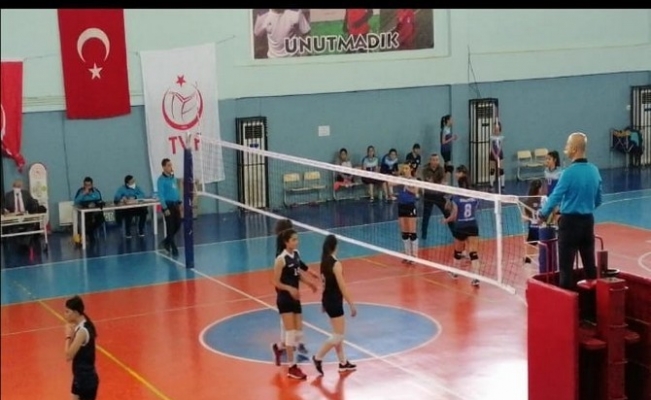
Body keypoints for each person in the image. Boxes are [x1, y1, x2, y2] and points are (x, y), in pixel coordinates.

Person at [538, 132, 602, 289]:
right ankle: (594, 301)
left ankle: (568, 302)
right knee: (590, 267)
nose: (565, 147)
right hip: (588, 223)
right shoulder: (594, 171)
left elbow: (555, 196)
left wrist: (542, 214)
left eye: (567, 144)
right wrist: (584, 206)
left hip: (569, 224)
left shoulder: (568, 173)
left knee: (566, 270)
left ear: (574, 148)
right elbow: (598, 200)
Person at [271, 219, 319, 366]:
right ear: (286, 240)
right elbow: (276, 281)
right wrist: (289, 288)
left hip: (294, 293)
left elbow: (297, 268)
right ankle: (291, 364)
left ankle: (281, 346)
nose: (297, 242)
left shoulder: (295, 254)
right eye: (294, 239)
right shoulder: (280, 257)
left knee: (297, 332)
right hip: (284, 293)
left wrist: (309, 280)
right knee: (289, 330)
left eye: (297, 239)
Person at [311, 234, 357, 375]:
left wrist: (323, 302)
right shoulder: (336, 264)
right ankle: (318, 357)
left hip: (328, 300)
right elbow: (342, 287)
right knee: (338, 335)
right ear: (335, 246)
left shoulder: (324, 262)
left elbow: (324, 285)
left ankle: (343, 363)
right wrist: (351, 304)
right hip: (334, 301)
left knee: (337, 333)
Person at [444, 165, 481, 287]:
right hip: (472, 225)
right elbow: (475, 209)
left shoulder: (456, 198)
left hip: (460, 226)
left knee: (458, 251)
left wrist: (446, 220)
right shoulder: (475, 196)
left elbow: (454, 215)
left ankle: (455, 272)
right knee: (473, 253)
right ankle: (476, 278)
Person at [64, 295, 99, 400]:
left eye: (67, 312)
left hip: (86, 381)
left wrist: (68, 336)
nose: (65, 315)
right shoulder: (80, 325)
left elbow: (68, 355)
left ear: (75, 312)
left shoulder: (82, 332)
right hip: (79, 377)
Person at [421, 154, 454, 240]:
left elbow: (443, 181)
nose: (435, 161)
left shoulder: (441, 169)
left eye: (437, 160)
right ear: (430, 161)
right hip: (429, 195)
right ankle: (424, 235)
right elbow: (430, 182)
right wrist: (438, 183)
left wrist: (441, 183)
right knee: (426, 216)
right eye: (433, 160)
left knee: (447, 213)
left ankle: (454, 232)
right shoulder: (425, 170)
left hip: (439, 195)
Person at [157, 158, 181, 257]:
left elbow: (176, 190)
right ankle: (173, 247)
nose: (170, 167)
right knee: (170, 227)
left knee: (178, 225)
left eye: (171, 165)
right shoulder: (161, 180)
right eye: (168, 165)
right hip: (168, 206)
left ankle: (166, 242)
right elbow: (161, 195)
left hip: (175, 205)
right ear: (163, 167)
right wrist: (165, 208)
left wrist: (179, 200)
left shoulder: (173, 178)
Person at [395, 164, 419, 263]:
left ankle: (414, 256)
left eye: (407, 168)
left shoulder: (414, 180)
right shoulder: (400, 179)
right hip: (401, 206)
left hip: (410, 206)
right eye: (404, 168)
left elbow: (415, 191)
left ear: (410, 170)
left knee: (412, 232)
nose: (405, 170)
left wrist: (407, 186)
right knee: (404, 232)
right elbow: (390, 183)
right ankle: (407, 255)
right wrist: (400, 179)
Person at [522, 179, 547, 266]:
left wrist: (531, 218)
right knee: (545, 250)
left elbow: (524, 219)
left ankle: (527, 265)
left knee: (529, 255)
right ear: (539, 189)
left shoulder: (527, 202)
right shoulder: (544, 199)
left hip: (532, 229)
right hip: (543, 229)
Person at [439, 115, 457, 184]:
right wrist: (452, 138)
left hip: (448, 149)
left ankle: (445, 182)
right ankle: (445, 182)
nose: (452, 121)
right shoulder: (445, 129)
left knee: (446, 167)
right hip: (445, 150)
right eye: (451, 119)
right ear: (448, 120)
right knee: (449, 168)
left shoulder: (448, 128)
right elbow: (443, 141)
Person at [489, 121, 505, 192]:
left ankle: (502, 184)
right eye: (495, 129)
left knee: (501, 169)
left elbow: (500, 146)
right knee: (492, 170)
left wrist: (498, 154)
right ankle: (491, 184)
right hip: (492, 154)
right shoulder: (491, 137)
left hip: (500, 154)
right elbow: (491, 147)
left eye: (497, 129)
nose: (496, 130)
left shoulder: (501, 137)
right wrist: (494, 154)